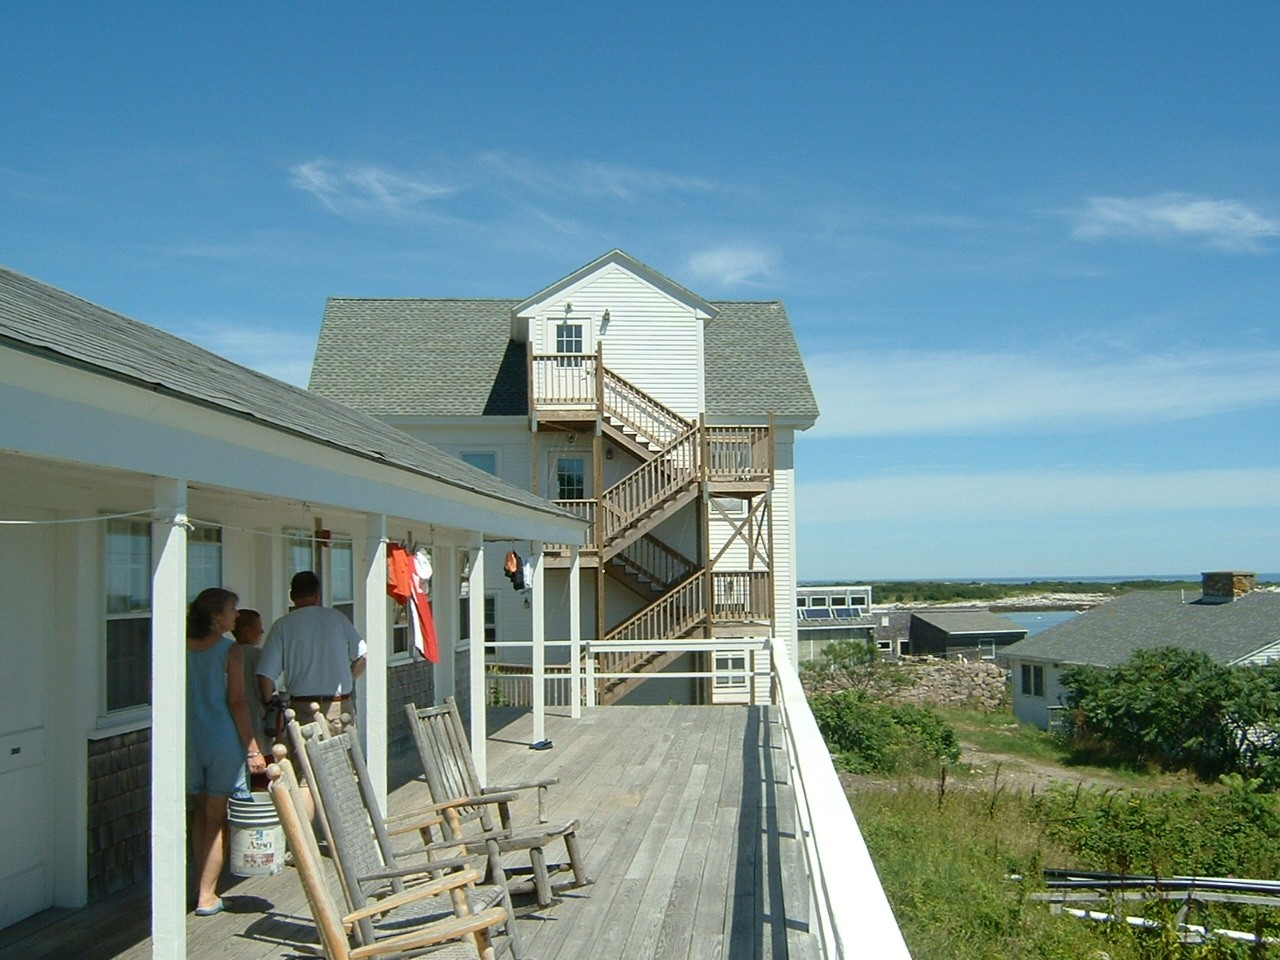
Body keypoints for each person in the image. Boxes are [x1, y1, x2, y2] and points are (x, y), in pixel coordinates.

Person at [186, 588, 266, 916]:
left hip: (188, 739)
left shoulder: (179, 645)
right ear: (218, 616)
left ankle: (198, 885)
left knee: (199, 814)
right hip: (221, 739)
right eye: (233, 609)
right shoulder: (229, 650)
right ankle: (207, 895)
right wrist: (252, 748)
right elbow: (236, 701)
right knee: (217, 819)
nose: (236, 615)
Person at [256, 570, 366, 727]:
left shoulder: (283, 625)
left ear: (292, 596)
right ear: (317, 594)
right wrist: (348, 678)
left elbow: (265, 675)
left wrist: (267, 702)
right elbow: (363, 656)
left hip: (302, 710)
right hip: (338, 709)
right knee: (342, 751)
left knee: (303, 751)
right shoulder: (337, 618)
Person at [232, 609, 269, 760]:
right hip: (256, 717)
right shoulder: (257, 655)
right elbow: (266, 687)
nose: (262, 631)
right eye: (258, 627)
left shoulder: (228, 653)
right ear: (247, 631)